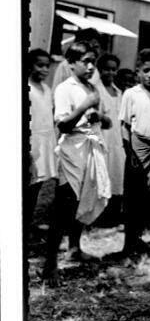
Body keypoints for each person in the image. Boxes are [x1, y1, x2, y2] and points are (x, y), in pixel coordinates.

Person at [42, 42, 111, 286]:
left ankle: (74, 248)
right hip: (72, 151)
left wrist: (97, 116)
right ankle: (49, 265)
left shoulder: (92, 88)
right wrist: (84, 107)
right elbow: (62, 124)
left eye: (94, 62)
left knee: (85, 199)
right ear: (71, 64)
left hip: (90, 148)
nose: (91, 66)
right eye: (86, 61)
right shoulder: (64, 89)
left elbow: (106, 121)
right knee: (64, 207)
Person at [119, 48, 150, 254]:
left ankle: (138, 237)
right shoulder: (131, 94)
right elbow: (124, 126)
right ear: (138, 71)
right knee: (134, 194)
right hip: (137, 149)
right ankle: (128, 242)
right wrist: (129, 151)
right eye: (146, 70)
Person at [28, 49, 58, 231]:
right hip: (31, 143)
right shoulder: (26, 88)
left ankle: (28, 223)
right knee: (26, 187)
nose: (45, 69)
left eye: (47, 66)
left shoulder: (46, 89)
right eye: (40, 65)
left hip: (44, 143)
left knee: (37, 186)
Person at [95, 53, 125, 223]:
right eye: (107, 69)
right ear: (99, 70)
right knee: (102, 174)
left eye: (114, 69)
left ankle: (112, 214)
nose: (110, 73)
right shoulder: (95, 90)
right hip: (103, 138)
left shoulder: (119, 92)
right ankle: (98, 214)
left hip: (117, 140)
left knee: (116, 174)